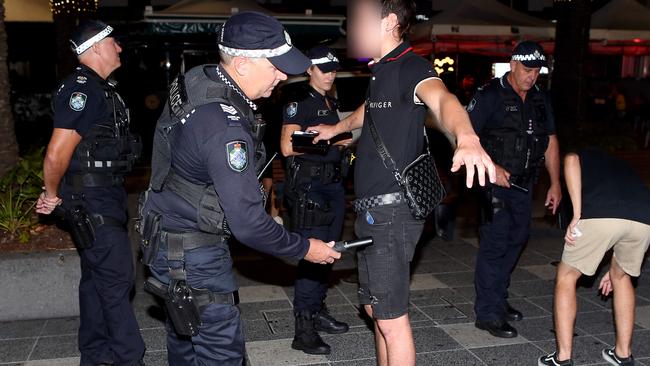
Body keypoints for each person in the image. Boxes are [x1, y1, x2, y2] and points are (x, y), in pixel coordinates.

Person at [138, 12, 341, 365]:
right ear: (243, 64)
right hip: (194, 254)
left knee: (185, 344)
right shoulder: (224, 127)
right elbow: (248, 224)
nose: (282, 76)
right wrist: (305, 248)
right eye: (275, 66)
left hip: (166, 237)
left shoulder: (200, 78)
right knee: (221, 354)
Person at [310, 1, 496, 365]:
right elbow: (370, 109)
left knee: (392, 320)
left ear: (390, 22)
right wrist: (336, 128)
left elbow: (443, 100)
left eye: (361, 20)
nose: (352, 28)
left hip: (392, 211)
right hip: (373, 211)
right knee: (374, 309)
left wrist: (468, 137)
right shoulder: (381, 70)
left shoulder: (413, 66)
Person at [36, 20, 145, 366]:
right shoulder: (81, 90)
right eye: (114, 42)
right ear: (96, 47)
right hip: (91, 200)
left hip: (104, 196)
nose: (119, 48)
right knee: (116, 281)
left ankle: (95, 356)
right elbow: (56, 152)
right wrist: (51, 194)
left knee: (96, 281)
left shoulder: (102, 88)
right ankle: (131, 359)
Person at [467, 40, 561, 338]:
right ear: (513, 64)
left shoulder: (539, 98)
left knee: (518, 239)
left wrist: (555, 182)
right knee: (495, 245)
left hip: (525, 182)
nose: (532, 76)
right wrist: (492, 168)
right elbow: (464, 136)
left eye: (537, 71)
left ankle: (498, 298)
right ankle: (488, 312)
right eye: (527, 69)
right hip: (492, 184)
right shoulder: (489, 95)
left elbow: (550, 141)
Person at [539, 148, 650, 366]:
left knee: (566, 277)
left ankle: (562, 358)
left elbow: (571, 160)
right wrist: (614, 267)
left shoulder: (581, 155)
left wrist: (577, 215)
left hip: (600, 214)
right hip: (644, 219)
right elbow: (621, 214)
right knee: (622, 277)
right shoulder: (620, 166)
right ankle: (623, 354)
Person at [280, 45, 351, 355]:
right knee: (313, 254)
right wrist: (328, 140)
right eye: (324, 69)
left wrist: (336, 136)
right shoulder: (298, 102)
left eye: (334, 68)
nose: (330, 74)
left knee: (330, 253)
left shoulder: (328, 100)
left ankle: (318, 312)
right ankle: (303, 329)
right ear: (310, 70)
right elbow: (286, 147)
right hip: (311, 188)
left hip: (333, 186)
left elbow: (343, 138)